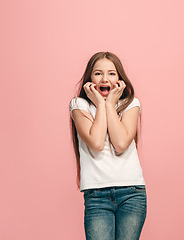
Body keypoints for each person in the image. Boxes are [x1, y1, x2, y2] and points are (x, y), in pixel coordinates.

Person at [69, 51, 147, 240]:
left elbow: (120, 144)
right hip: (97, 196)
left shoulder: (131, 104)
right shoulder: (79, 105)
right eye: (98, 73)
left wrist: (110, 104)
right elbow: (95, 142)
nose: (105, 78)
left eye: (111, 73)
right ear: (89, 78)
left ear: (120, 78)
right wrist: (101, 104)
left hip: (132, 193)